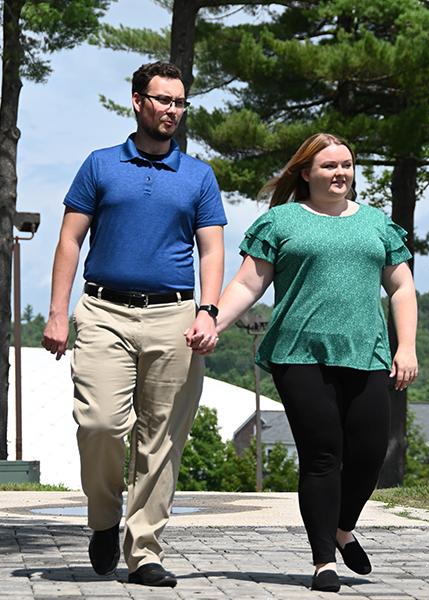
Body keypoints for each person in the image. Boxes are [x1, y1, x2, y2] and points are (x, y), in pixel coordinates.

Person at [188, 133, 418, 593]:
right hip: (299, 355)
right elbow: (247, 286)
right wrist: (212, 319)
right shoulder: (281, 222)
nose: (340, 174)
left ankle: (342, 527)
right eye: (330, 166)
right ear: (306, 173)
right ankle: (323, 561)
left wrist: (406, 346)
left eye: (347, 165)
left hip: (366, 354)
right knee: (322, 457)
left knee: (370, 454)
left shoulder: (376, 224)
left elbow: (402, 288)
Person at [42, 61, 226, 588]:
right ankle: (103, 519)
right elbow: (69, 241)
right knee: (99, 423)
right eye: (163, 100)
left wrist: (208, 311)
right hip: (103, 312)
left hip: (175, 315)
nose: (172, 110)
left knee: (161, 439)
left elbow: (211, 250)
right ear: (138, 101)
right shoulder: (100, 165)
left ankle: (143, 550)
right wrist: (58, 311)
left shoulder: (198, 176)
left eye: (180, 102)